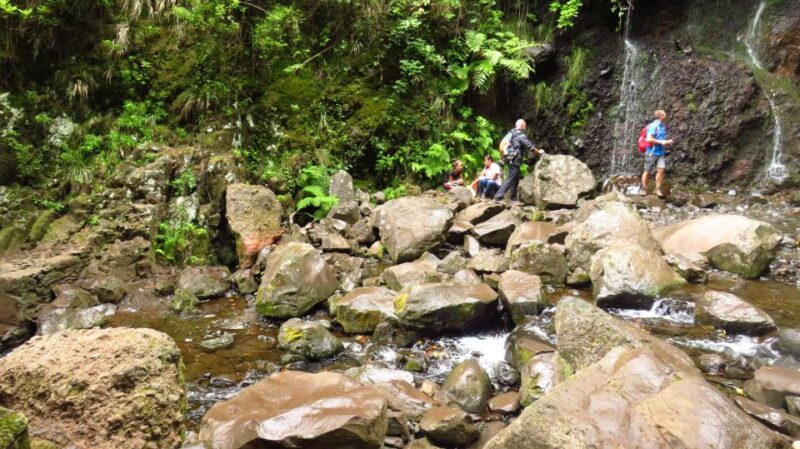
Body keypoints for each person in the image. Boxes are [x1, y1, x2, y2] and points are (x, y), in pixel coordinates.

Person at [494, 119, 544, 201]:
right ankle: (498, 196)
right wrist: (539, 152)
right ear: (521, 125)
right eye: (524, 125)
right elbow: (530, 147)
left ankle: (513, 198)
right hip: (515, 159)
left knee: (515, 179)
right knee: (511, 178)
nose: (525, 127)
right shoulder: (520, 135)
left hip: (509, 157)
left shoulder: (511, 133)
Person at [641, 110, 674, 197]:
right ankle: (644, 189)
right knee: (647, 171)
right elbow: (649, 139)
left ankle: (657, 189)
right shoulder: (653, 126)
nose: (666, 115)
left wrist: (667, 141)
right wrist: (662, 142)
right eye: (664, 114)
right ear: (661, 116)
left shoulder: (663, 126)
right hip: (651, 152)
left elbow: (661, 139)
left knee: (661, 169)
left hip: (660, 152)